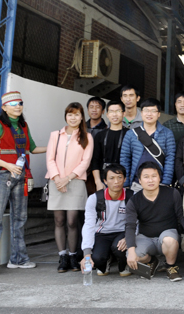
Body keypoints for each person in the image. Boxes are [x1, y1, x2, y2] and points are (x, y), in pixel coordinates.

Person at [0, 91, 47, 278]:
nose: (18, 106)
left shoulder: (23, 126)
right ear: (4, 107)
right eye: (13, 103)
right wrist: (7, 164)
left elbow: (31, 149)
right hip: (1, 175)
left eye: (20, 103)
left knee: (20, 219)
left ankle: (18, 259)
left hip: (20, 177)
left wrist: (56, 146)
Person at [46, 102, 94, 273]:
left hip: (75, 182)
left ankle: (74, 255)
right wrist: (58, 178)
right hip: (56, 181)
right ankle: (62, 256)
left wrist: (67, 179)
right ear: (65, 116)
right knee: (59, 220)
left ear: (82, 117)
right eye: (70, 114)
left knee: (73, 221)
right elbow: (50, 158)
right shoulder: (55, 135)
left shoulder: (87, 137)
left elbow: (85, 162)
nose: (73, 117)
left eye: (76, 114)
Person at [125, 162, 184, 282]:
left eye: (154, 176)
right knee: (131, 255)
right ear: (140, 181)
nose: (150, 180)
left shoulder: (172, 193)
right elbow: (130, 226)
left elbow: (181, 216)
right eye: (146, 177)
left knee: (169, 240)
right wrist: (131, 251)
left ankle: (170, 267)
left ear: (159, 178)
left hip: (168, 234)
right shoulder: (134, 201)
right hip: (146, 237)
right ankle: (152, 261)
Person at [80, 164, 131, 276]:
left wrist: (129, 238)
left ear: (125, 179)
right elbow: (89, 225)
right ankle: (105, 261)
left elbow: (138, 222)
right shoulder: (95, 198)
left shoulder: (132, 197)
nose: (116, 182)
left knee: (119, 249)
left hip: (122, 232)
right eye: (111, 178)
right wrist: (87, 254)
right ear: (105, 181)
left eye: (119, 177)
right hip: (102, 233)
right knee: (97, 258)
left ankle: (123, 265)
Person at [119, 98, 176, 189]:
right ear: (141, 113)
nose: (149, 114)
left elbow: (170, 158)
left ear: (158, 114)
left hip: (159, 184)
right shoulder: (131, 134)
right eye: (146, 110)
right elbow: (125, 159)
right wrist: (125, 183)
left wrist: (165, 182)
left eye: (153, 111)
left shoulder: (167, 133)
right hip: (136, 183)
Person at [90, 100, 127, 192]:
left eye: (118, 111)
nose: (114, 115)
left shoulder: (130, 134)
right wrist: (98, 182)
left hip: (123, 180)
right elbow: (95, 160)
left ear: (123, 114)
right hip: (104, 180)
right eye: (111, 111)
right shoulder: (100, 135)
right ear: (107, 114)